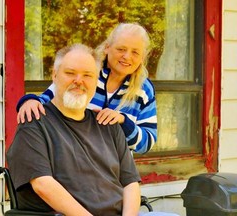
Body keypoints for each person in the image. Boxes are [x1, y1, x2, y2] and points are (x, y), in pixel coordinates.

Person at [7, 43, 142, 216]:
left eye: (88, 75)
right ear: (54, 75)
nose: (79, 81)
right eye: (70, 73)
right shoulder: (35, 123)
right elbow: (42, 184)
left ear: (96, 81)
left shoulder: (108, 124)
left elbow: (130, 183)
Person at [16, 23, 157, 154]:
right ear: (107, 47)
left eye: (135, 52)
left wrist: (123, 121)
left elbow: (148, 142)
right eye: (121, 49)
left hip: (115, 169)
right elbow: (47, 99)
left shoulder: (144, 89)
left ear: (143, 57)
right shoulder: (88, 71)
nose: (127, 56)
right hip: (71, 158)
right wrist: (28, 101)